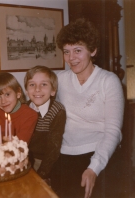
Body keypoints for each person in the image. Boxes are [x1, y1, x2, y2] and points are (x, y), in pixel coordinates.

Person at [53, 18, 125, 198]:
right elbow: (38, 105)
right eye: (66, 52)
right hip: (66, 156)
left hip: (101, 157)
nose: (71, 58)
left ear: (93, 50)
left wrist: (94, 168)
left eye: (78, 50)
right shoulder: (59, 79)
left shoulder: (108, 81)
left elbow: (113, 132)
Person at [24, 65, 66, 184]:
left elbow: (53, 148)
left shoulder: (57, 111)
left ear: (53, 91)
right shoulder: (24, 108)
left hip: (46, 162)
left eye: (44, 84)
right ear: (26, 91)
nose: (37, 89)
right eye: (32, 84)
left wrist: (42, 174)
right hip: (26, 160)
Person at [0, 72, 38, 144]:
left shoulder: (30, 115)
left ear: (18, 93)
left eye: (7, 94)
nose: (3, 101)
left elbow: (20, 145)